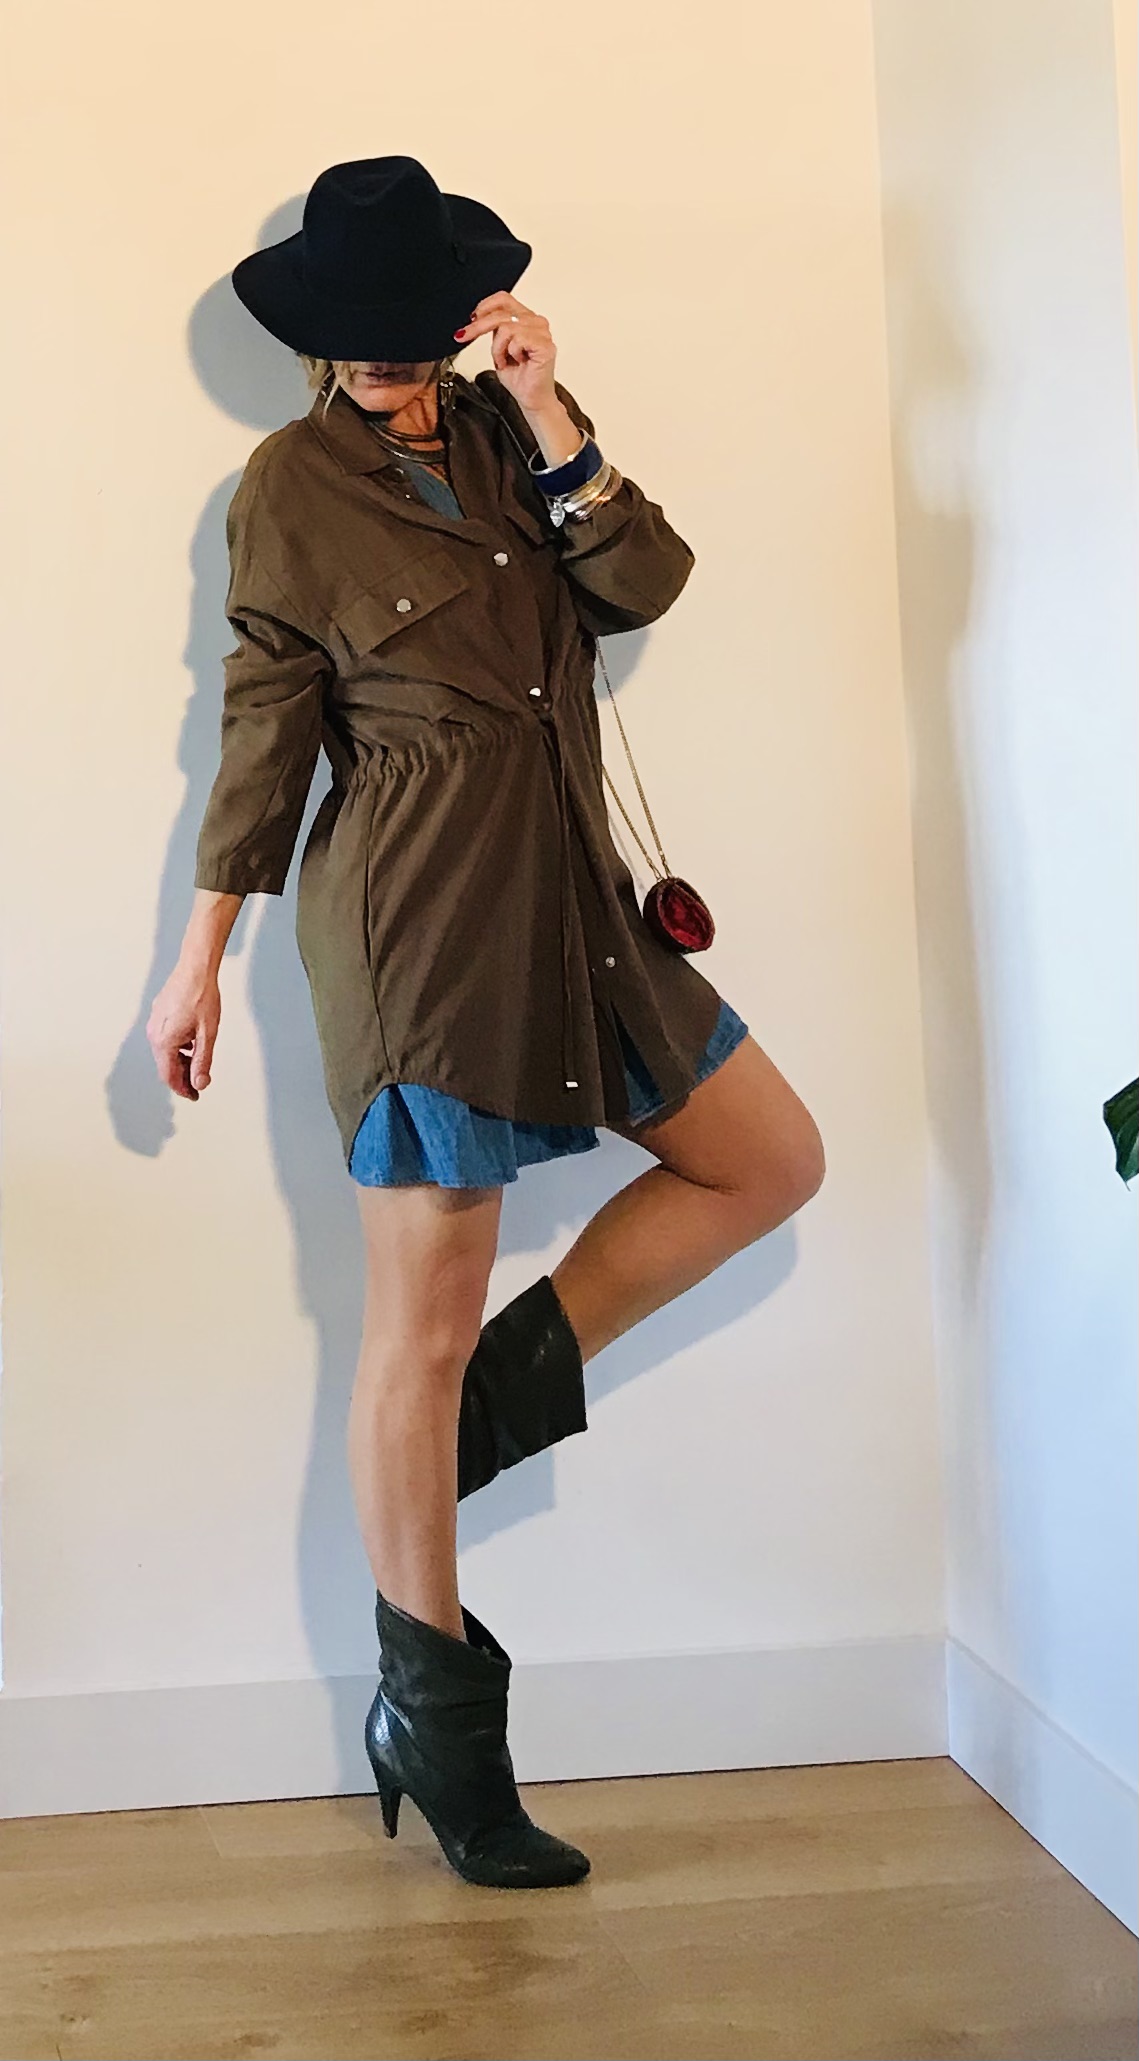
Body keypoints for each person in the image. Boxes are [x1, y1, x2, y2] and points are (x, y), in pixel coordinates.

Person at [147, 156, 826, 1890]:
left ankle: (447, 1434)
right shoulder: (286, 487)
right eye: (364, 338)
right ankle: (442, 1734)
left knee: (766, 1158)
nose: (391, 361)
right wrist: (198, 953)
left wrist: (551, 408)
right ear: (323, 335)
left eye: (417, 333)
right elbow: (265, 728)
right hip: (424, 924)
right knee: (417, 1322)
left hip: (576, 893)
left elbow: (643, 583)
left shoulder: (520, 430)